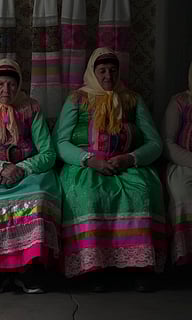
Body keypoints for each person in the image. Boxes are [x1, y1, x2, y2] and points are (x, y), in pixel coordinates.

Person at [53, 47, 166, 292]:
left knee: (141, 193)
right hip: (87, 165)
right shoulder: (77, 99)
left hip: (125, 163)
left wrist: (130, 158)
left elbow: (155, 143)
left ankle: (138, 267)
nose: (108, 76)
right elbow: (60, 142)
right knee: (89, 196)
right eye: (102, 71)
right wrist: (89, 160)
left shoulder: (131, 99)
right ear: (93, 72)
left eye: (112, 71)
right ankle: (93, 269)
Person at [0, 58, 61, 294]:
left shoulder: (31, 108)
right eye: (1, 84)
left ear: (19, 86)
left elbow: (48, 153)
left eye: (11, 85)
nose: (6, 90)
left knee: (37, 198)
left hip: (27, 171)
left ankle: (30, 270)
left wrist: (22, 168)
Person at [163, 61, 192, 267]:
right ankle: (186, 257)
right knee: (184, 194)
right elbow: (167, 142)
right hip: (184, 164)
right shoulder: (180, 102)